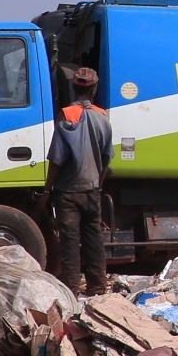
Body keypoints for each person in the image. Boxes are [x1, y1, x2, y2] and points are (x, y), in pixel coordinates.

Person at [45, 67, 114, 296]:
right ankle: (98, 287)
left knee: (70, 242)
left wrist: (47, 190)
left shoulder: (66, 115)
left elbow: (57, 158)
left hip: (67, 192)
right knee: (94, 240)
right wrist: (98, 183)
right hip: (92, 190)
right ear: (94, 89)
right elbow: (106, 158)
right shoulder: (103, 116)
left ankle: (71, 290)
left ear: (74, 88)